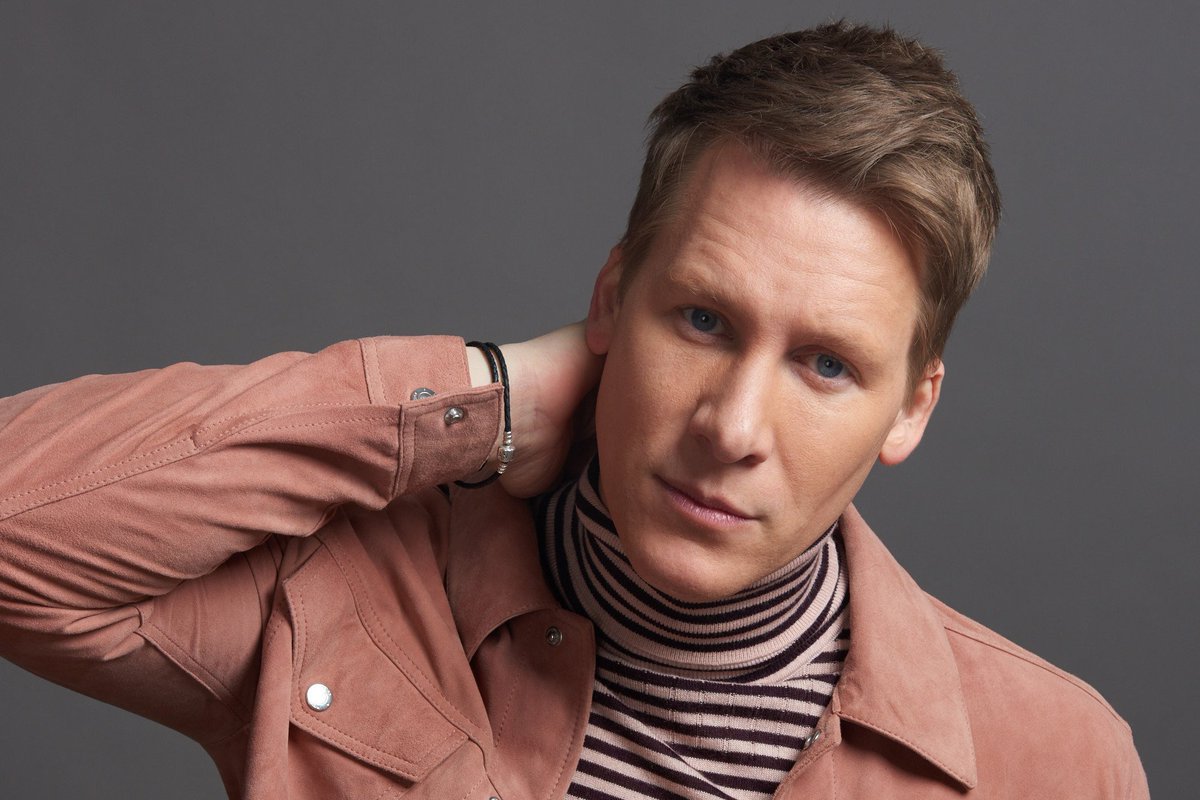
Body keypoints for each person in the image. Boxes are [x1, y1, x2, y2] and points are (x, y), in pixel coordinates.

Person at [0, 21, 1147, 799]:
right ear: (611, 299)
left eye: (827, 365)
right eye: (702, 318)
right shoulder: (350, 597)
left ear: (911, 407)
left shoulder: (1057, 758)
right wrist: (493, 390)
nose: (732, 426)